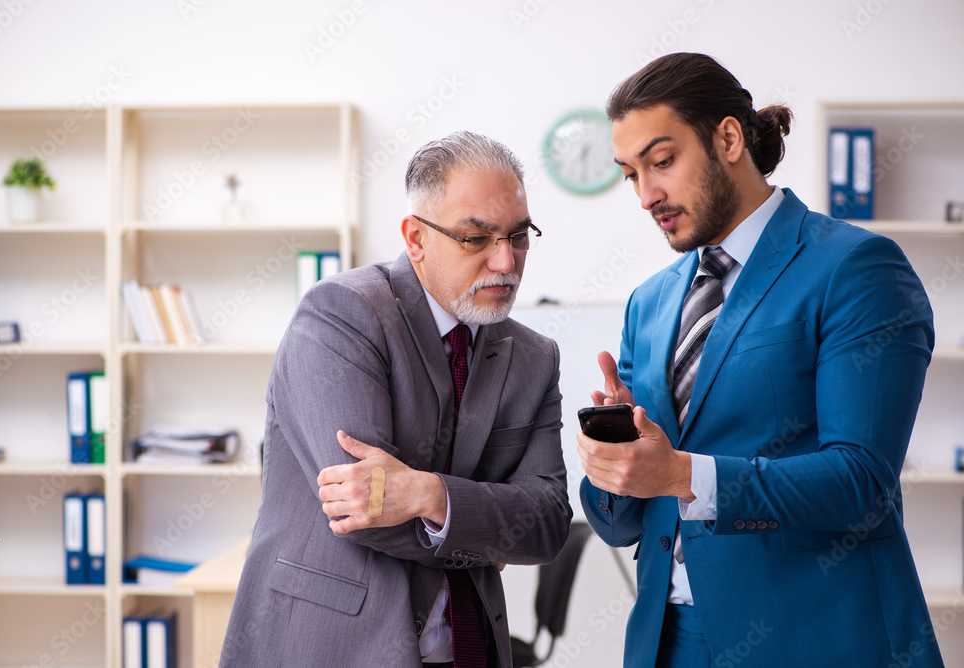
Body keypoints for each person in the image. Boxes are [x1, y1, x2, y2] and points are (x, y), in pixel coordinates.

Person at [579, 52, 943, 668]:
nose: (646, 195)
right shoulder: (650, 302)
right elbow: (621, 526)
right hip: (668, 643)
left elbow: (862, 483)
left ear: (727, 138)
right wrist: (612, 460)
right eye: (630, 174)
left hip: (813, 638)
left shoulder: (855, 268)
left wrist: (682, 474)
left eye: (662, 162)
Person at [219, 130, 572, 668]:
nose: (506, 262)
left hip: (472, 649)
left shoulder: (535, 356)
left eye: (519, 236)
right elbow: (366, 508)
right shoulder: (340, 314)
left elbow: (547, 524)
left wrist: (431, 496)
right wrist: (490, 524)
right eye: (476, 239)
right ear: (416, 238)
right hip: (333, 648)